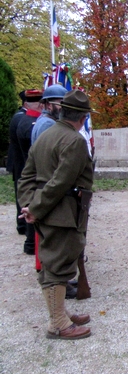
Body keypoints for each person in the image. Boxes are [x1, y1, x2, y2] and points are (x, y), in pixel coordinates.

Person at [17, 90, 96, 340]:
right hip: (63, 210)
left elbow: (26, 176)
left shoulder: (45, 135)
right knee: (59, 265)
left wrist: (30, 205)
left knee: (54, 260)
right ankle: (58, 323)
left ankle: (59, 312)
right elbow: (61, 182)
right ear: (83, 117)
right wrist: (37, 208)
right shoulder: (74, 141)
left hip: (47, 208)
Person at [14, 90, 44, 254]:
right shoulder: (30, 123)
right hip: (32, 173)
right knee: (33, 210)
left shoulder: (26, 120)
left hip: (27, 170)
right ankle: (31, 245)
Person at [7, 90, 33, 235]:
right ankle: (22, 224)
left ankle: (22, 224)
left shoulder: (19, 116)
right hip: (20, 161)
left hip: (18, 160)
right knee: (22, 193)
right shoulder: (21, 118)